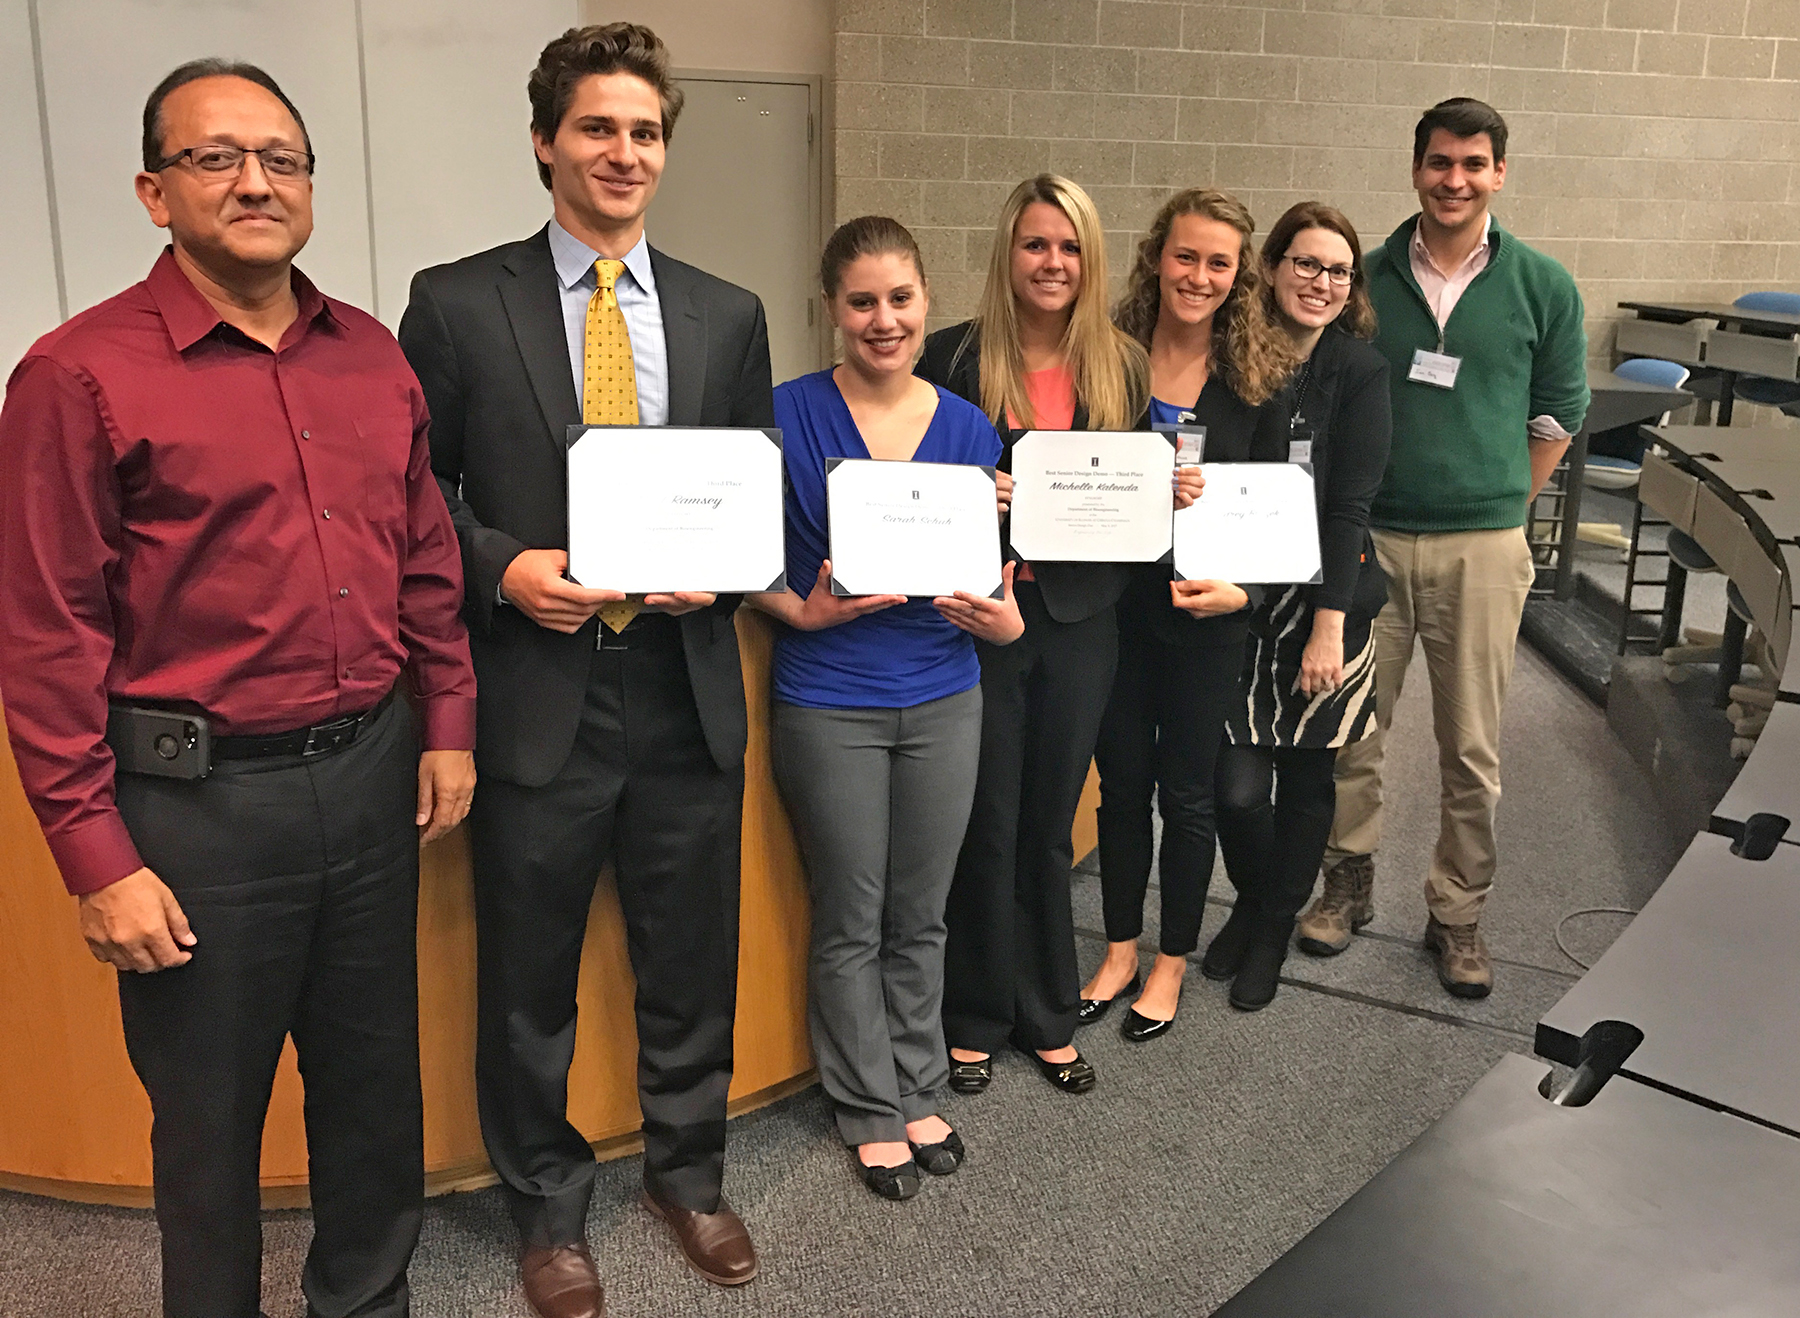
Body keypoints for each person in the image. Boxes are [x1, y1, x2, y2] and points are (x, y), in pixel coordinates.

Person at [0, 60, 477, 1318]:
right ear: (156, 192)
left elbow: (424, 557)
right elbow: (48, 634)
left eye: (283, 158)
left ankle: (367, 1302)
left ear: (312, 186)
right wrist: (96, 857)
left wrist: (447, 724)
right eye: (217, 158)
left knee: (375, 1101)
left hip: (370, 779)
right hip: (197, 814)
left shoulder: (370, 359)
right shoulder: (75, 374)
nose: (256, 180)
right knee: (207, 1133)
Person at [397, 24, 769, 1314]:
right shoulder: (456, 300)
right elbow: (413, 496)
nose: (624, 152)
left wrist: (714, 567)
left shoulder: (728, 312)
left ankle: (689, 1174)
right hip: (536, 691)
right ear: (547, 139)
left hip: (681, 684)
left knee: (688, 959)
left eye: (646, 131)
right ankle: (548, 1210)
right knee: (529, 978)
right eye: (598, 128)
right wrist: (500, 566)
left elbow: (752, 494)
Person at [751, 216, 1023, 1200]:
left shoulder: (968, 428)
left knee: (922, 914)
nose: (884, 319)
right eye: (862, 301)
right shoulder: (785, 417)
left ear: (924, 301)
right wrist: (801, 609)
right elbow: (746, 561)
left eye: (900, 299)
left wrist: (1000, 624)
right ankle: (867, 1103)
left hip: (947, 696)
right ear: (832, 309)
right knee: (852, 914)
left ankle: (917, 1081)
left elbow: (1002, 598)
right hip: (829, 700)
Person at [1303, 98, 1589, 998]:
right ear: (1416, 167)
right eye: (1439, 162)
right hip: (1370, 540)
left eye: (1473, 164)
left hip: (1483, 547)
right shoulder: (1368, 279)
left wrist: (1502, 507)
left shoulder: (1545, 286)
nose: (1454, 179)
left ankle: (1457, 913)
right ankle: (1345, 884)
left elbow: (1558, 418)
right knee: (1350, 732)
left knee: (1472, 748)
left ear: (1499, 172)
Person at [917, 174, 1150, 1096]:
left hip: (1080, 622)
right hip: (976, 618)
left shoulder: (1122, 365)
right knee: (986, 820)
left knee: (1052, 822)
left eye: (1069, 246)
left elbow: (1130, 502)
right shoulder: (952, 358)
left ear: (1090, 260)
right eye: (1035, 244)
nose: (1052, 263)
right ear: (1007, 254)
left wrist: (1165, 492)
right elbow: (914, 488)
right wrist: (977, 493)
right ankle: (974, 1013)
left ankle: (1048, 1011)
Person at [1078, 188, 1297, 1041]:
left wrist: (1247, 592)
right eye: (1185, 256)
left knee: (1190, 795)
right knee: (1121, 788)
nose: (1197, 276)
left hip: (1210, 616)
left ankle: (1172, 959)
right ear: (1156, 257)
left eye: (1217, 262)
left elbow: (1287, 516)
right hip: (1116, 608)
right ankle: (1122, 947)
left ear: (1239, 274)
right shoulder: (1111, 357)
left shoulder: (1259, 381)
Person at [1209, 202, 1393, 1011]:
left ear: (1351, 287)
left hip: (1326, 601)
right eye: (1307, 263)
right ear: (1274, 267)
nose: (1321, 282)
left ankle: (1272, 928)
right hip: (1236, 599)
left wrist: (1329, 625)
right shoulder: (1233, 355)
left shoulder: (1359, 371)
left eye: (1338, 270)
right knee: (1237, 789)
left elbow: (1352, 506)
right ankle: (1253, 901)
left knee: (1307, 774)